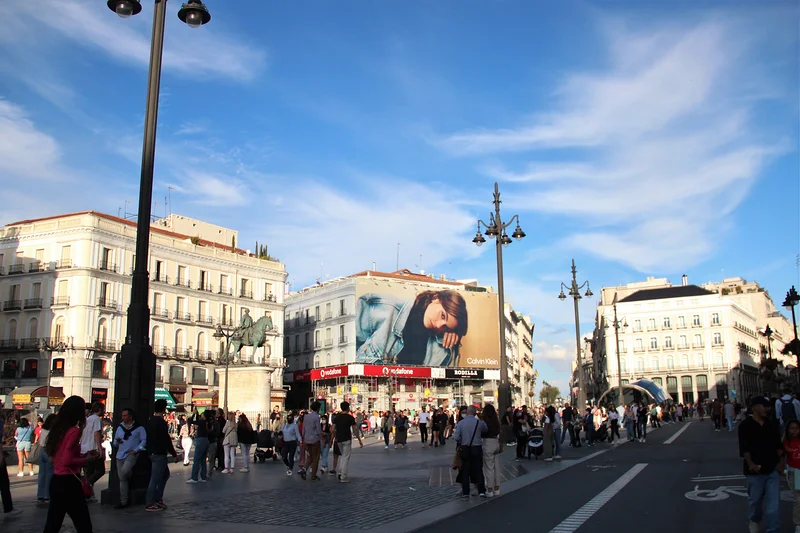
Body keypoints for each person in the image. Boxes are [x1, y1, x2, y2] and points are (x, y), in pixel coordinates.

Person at [355, 290, 468, 367]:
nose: (439, 325)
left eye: (445, 327)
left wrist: (453, 342)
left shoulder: (442, 347)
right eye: (442, 315)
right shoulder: (384, 308)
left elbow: (442, 384)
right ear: (436, 298)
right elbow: (345, 347)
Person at [43, 395, 96, 533]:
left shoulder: (58, 429)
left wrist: (82, 455)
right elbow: (67, 460)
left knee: (52, 524)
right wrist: (86, 460)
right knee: (84, 525)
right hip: (69, 482)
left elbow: (56, 458)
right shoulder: (74, 431)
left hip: (57, 480)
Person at [739, 396, 783, 533]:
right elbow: (744, 448)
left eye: (768, 406)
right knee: (755, 502)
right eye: (764, 406)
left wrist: (781, 462)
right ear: (755, 408)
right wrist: (750, 463)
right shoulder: (745, 425)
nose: (768, 409)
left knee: (773, 506)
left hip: (772, 470)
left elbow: (779, 445)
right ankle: (754, 519)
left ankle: (772, 529)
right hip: (755, 472)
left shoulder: (771, 424)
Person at [144, 399, 178, 512]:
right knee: (155, 478)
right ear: (164, 409)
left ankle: (158, 498)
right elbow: (166, 439)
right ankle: (150, 502)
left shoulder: (150, 421)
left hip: (151, 452)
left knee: (165, 474)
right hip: (159, 453)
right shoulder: (161, 422)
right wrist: (173, 453)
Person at [112, 407, 147, 509]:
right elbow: (114, 443)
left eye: (125, 416)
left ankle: (130, 475)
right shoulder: (120, 428)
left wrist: (136, 450)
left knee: (123, 473)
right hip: (120, 455)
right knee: (122, 479)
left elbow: (144, 440)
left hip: (131, 454)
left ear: (130, 416)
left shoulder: (139, 428)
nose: (123, 417)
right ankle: (124, 501)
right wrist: (117, 442)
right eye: (122, 416)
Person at [454, 405, 487, 499]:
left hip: (465, 448)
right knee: (478, 469)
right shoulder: (479, 423)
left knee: (465, 470)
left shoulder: (461, 423)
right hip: (476, 448)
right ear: (475, 412)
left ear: (467, 412)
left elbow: (456, 437)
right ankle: (481, 491)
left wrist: (462, 440)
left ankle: (465, 492)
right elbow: (485, 430)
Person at [332, 401, 363, 483]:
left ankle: (340, 472)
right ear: (348, 408)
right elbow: (355, 430)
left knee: (343, 456)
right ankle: (343, 476)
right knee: (346, 457)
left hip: (338, 439)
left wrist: (332, 438)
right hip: (347, 439)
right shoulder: (350, 418)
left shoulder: (337, 417)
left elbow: (333, 429)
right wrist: (359, 440)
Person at [80, 402, 105, 495]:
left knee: (89, 472)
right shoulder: (97, 419)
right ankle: (86, 486)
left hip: (84, 448)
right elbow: (96, 433)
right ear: (99, 410)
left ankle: (88, 492)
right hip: (93, 448)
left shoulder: (87, 419)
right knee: (100, 470)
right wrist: (99, 447)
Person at [481, 403, 502, 498]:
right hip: (496, 442)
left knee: (489, 467)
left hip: (487, 442)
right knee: (496, 467)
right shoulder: (496, 421)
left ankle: (490, 489)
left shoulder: (485, 421)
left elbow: (482, 431)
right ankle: (497, 488)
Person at [783, 419, 800, 533]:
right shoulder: (785, 442)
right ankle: (798, 523)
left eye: (797, 428)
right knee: (798, 499)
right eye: (792, 429)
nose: (794, 431)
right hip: (794, 472)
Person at [37, 414, 57, 502]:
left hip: (41, 450)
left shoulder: (43, 430)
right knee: (50, 473)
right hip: (49, 451)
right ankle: (47, 494)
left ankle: (40, 494)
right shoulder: (52, 431)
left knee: (42, 473)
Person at [301, 402, 322, 481]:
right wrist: (322, 439)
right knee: (316, 458)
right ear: (318, 408)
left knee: (310, 456)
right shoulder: (316, 417)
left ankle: (304, 469)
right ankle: (313, 475)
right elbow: (318, 429)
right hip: (314, 439)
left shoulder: (306, 416)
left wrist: (303, 438)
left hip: (307, 438)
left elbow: (304, 428)